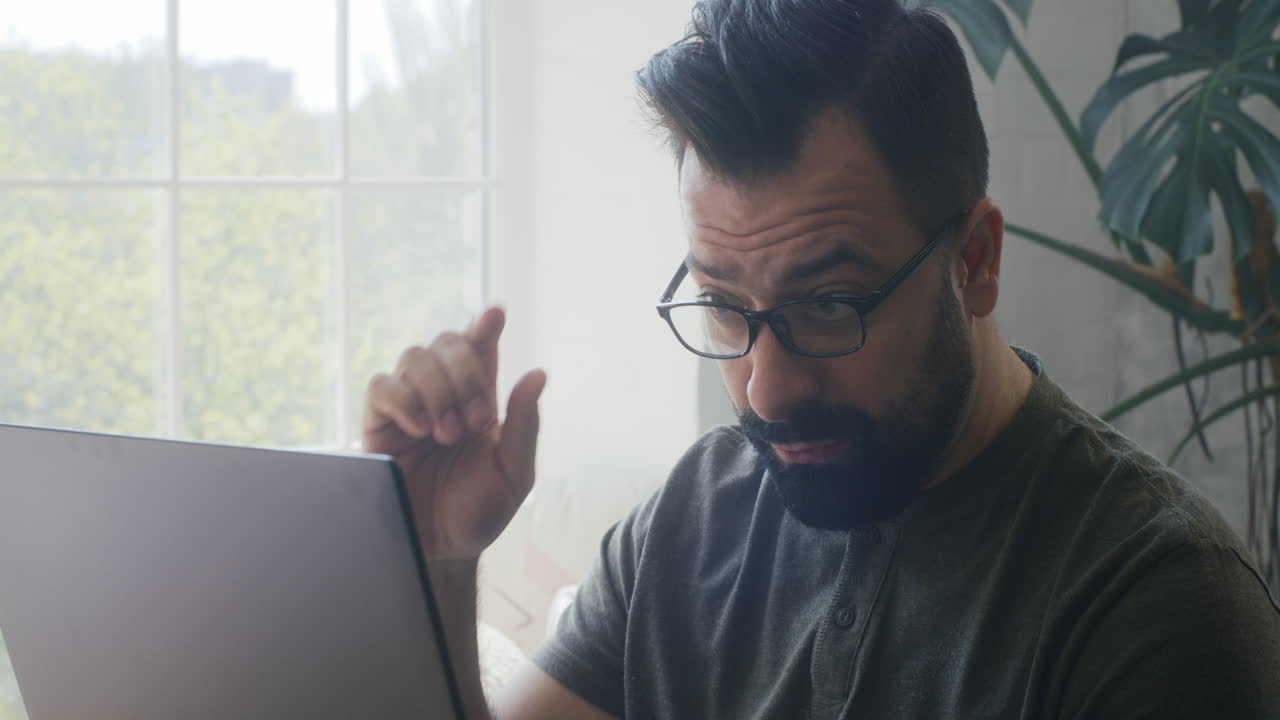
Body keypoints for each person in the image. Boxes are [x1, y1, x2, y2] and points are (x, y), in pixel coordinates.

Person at [362, 0, 1280, 717]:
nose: (766, 389)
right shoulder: (692, 519)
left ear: (976, 262)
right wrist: (438, 557)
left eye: (831, 303)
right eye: (724, 306)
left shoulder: (1154, 603)